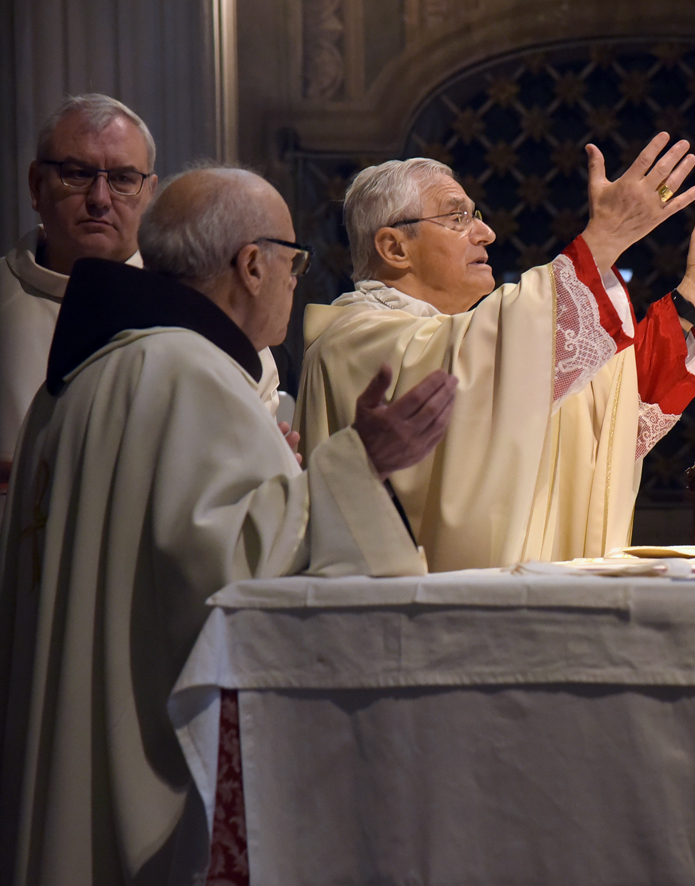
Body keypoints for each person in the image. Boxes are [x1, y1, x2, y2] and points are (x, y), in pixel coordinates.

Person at [0, 166, 457, 885]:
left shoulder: (83, 378)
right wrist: (359, 463)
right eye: (293, 263)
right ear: (252, 264)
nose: (293, 282)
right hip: (147, 761)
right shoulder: (189, 374)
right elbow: (232, 575)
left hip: (68, 738)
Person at [296, 133, 695, 570]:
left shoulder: (484, 343)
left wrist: (694, 295)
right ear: (394, 247)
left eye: (478, 216)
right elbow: (462, 370)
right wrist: (605, 240)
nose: (485, 233)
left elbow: (607, 407)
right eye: (457, 217)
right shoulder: (352, 341)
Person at [0, 95, 285, 506]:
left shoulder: (205, 314)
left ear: (150, 192)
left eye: (122, 179)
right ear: (35, 185)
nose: (100, 198)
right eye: (78, 174)